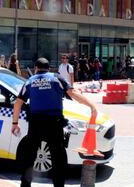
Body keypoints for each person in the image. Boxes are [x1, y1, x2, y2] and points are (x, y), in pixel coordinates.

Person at [11, 58, 98, 187]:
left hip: (36, 124)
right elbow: (73, 93)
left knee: (29, 157)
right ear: (49, 68)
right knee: (58, 158)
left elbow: (18, 103)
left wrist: (15, 123)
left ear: (36, 68)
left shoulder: (30, 81)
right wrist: (91, 106)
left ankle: (25, 184)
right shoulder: (56, 78)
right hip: (54, 124)